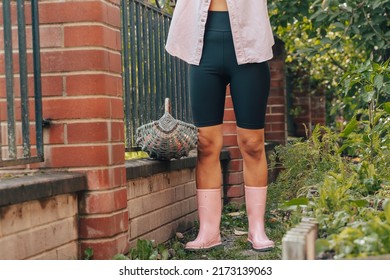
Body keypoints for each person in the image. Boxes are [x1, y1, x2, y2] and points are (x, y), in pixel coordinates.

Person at [165, 0, 275, 251]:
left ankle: (257, 229)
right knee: (206, 143)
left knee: (253, 143)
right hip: (203, 46)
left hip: (250, 43)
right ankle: (209, 232)